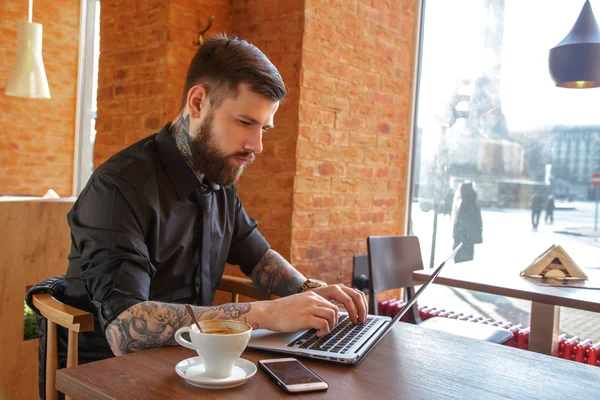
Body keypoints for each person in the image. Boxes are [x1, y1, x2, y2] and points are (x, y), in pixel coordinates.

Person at [60, 34, 367, 364]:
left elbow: (259, 258)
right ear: (197, 103)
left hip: (194, 362)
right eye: (245, 122)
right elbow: (125, 329)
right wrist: (264, 313)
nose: (256, 145)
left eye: (264, 128)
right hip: (107, 372)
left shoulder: (218, 176)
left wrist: (308, 291)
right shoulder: (117, 187)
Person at [452, 182, 483, 263]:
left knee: (461, 261)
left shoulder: (465, 203)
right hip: (468, 240)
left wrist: (457, 238)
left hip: (463, 240)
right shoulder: (473, 203)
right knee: (466, 260)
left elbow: (461, 224)